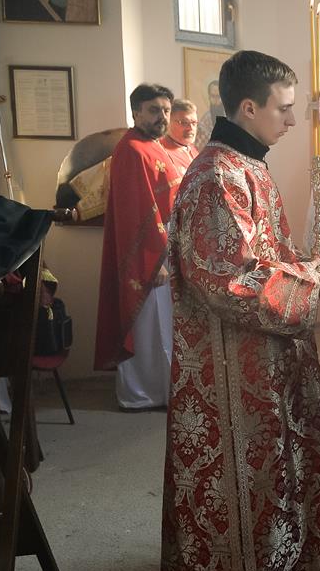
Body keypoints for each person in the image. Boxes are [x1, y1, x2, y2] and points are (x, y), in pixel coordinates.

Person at [160, 50, 320, 571]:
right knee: (251, 478)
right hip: (232, 364)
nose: (293, 121)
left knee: (282, 469)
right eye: (284, 109)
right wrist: (306, 283)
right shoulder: (217, 176)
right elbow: (228, 280)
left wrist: (297, 263)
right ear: (248, 108)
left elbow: (265, 253)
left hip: (262, 355)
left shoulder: (248, 164)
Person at [93, 84, 183, 410]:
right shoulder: (132, 149)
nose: (162, 117)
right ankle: (141, 394)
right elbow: (136, 212)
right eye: (154, 110)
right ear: (136, 113)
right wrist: (153, 261)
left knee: (162, 326)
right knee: (147, 325)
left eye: (166, 110)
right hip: (148, 253)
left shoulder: (152, 145)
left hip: (162, 246)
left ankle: (159, 389)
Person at [165, 99, 199, 172]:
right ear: (168, 122)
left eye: (194, 123)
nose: (191, 128)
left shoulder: (192, 149)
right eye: (184, 122)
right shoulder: (163, 153)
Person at [196, 79, 224, 150]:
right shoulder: (205, 121)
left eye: (218, 96)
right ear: (209, 97)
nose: (216, 100)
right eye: (213, 96)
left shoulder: (231, 118)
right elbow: (199, 148)